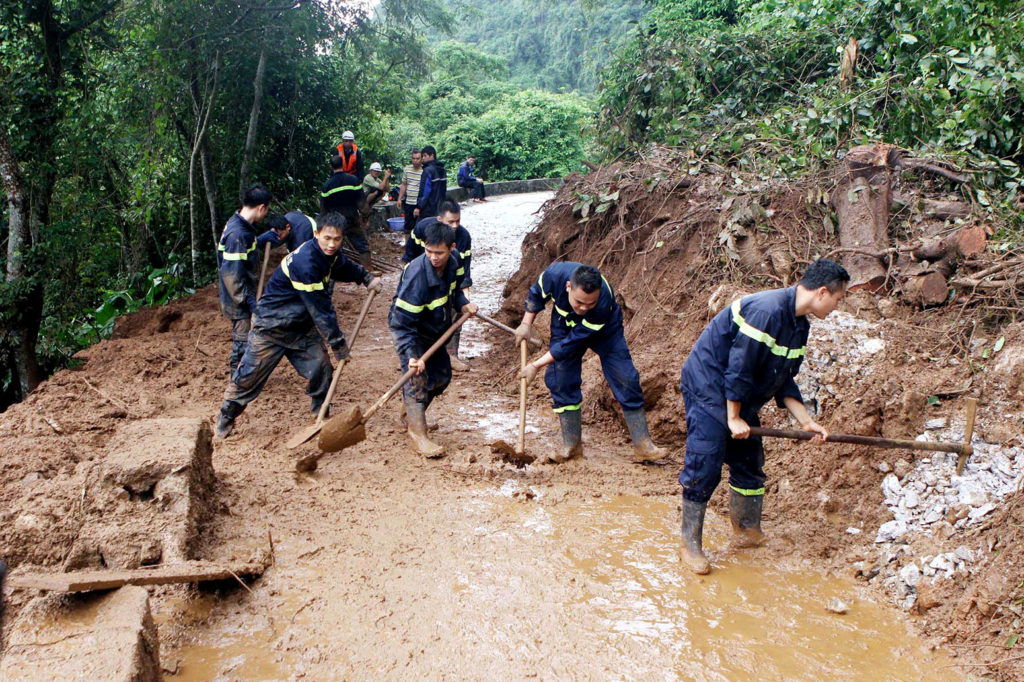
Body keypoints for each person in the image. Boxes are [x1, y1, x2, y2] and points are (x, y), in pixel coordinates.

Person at [676, 258, 849, 574]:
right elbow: (739, 369)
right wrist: (732, 418)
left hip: (735, 395)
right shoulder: (766, 311)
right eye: (838, 299)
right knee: (706, 459)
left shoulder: (799, 326)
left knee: (749, 462)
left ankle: (747, 531)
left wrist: (806, 421)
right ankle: (690, 546)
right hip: (709, 383)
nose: (836, 307)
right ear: (823, 292)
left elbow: (783, 378)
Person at [215, 212, 383, 439]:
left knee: (321, 367)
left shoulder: (329, 255)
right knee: (248, 377)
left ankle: (319, 412)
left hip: (299, 327)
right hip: (271, 326)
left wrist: (365, 277)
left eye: (337, 239)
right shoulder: (305, 262)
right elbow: (321, 308)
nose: (332, 244)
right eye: (327, 238)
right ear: (316, 235)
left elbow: (342, 265)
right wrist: (338, 344)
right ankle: (225, 418)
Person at [515, 263, 668, 465]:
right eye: (579, 302)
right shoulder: (553, 276)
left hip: (605, 332)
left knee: (626, 378)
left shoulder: (603, 302)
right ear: (568, 286)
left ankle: (643, 446)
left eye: (590, 303)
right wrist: (526, 324)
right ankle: (572, 447)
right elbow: (536, 294)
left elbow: (572, 343)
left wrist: (535, 365)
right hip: (564, 324)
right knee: (561, 379)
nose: (583, 308)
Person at [388, 220, 477, 457]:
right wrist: (411, 356)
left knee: (441, 377)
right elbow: (402, 324)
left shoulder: (455, 262)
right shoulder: (417, 276)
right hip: (410, 329)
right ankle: (418, 434)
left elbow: (455, 292)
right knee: (416, 378)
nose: (434, 258)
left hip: (435, 328)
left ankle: (410, 414)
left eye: (439, 253)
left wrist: (464, 304)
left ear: (451, 248)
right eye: (429, 252)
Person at [217, 184, 288, 372]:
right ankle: (238, 378)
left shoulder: (241, 227)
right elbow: (231, 275)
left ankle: (244, 374)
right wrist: (248, 301)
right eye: (266, 211)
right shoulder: (237, 234)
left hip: (243, 293)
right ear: (262, 207)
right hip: (237, 298)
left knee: (247, 335)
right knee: (242, 339)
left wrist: (261, 240)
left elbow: (244, 253)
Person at [401, 200, 473, 371]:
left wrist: (464, 299)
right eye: (450, 222)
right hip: (421, 280)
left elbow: (464, 269)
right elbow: (409, 256)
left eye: (458, 221)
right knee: (419, 317)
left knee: (455, 312)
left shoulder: (463, 237)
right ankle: (414, 354)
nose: (455, 226)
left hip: (447, 279)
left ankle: (451, 354)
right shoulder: (422, 229)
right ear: (439, 219)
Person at [321, 155, 373, 271]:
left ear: (331, 167)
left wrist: (323, 226)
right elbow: (362, 204)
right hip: (352, 219)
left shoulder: (327, 185)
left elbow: (324, 209)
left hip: (336, 223)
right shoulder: (353, 180)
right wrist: (365, 217)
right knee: (362, 246)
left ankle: (333, 272)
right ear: (343, 165)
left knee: (334, 246)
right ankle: (368, 269)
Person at [416, 145, 447, 220]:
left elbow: (425, 192)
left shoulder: (428, 171)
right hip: (441, 207)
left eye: (424, 156)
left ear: (432, 155)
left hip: (429, 208)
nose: (423, 158)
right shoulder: (442, 170)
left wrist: (419, 206)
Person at [397, 149, 423, 234]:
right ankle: (407, 246)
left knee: (420, 226)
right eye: (413, 158)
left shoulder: (424, 170)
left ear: (421, 159)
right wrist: (399, 199)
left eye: (417, 158)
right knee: (408, 226)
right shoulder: (407, 169)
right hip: (409, 202)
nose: (415, 161)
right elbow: (404, 184)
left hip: (419, 202)